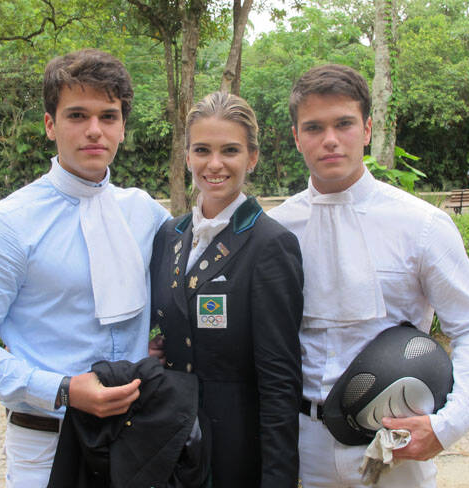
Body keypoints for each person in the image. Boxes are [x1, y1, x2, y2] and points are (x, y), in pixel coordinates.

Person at [268, 64, 469, 487]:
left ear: (367, 129)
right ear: (296, 137)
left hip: (396, 445)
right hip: (301, 447)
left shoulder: (421, 225)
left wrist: (446, 425)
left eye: (344, 123)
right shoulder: (277, 229)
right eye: (313, 127)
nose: (330, 139)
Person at [0, 49, 170, 488]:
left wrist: (159, 345)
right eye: (77, 115)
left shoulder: (144, 212)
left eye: (108, 116)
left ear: (122, 126)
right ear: (50, 124)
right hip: (46, 444)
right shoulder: (8, 225)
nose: (94, 131)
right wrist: (62, 389)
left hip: (140, 438)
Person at [150, 91, 304, 487]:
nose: (214, 164)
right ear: (187, 156)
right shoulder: (170, 235)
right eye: (202, 150)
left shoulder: (270, 244)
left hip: (236, 453)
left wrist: (278, 479)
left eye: (230, 150)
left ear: (252, 157)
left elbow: (279, 381)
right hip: (173, 446)